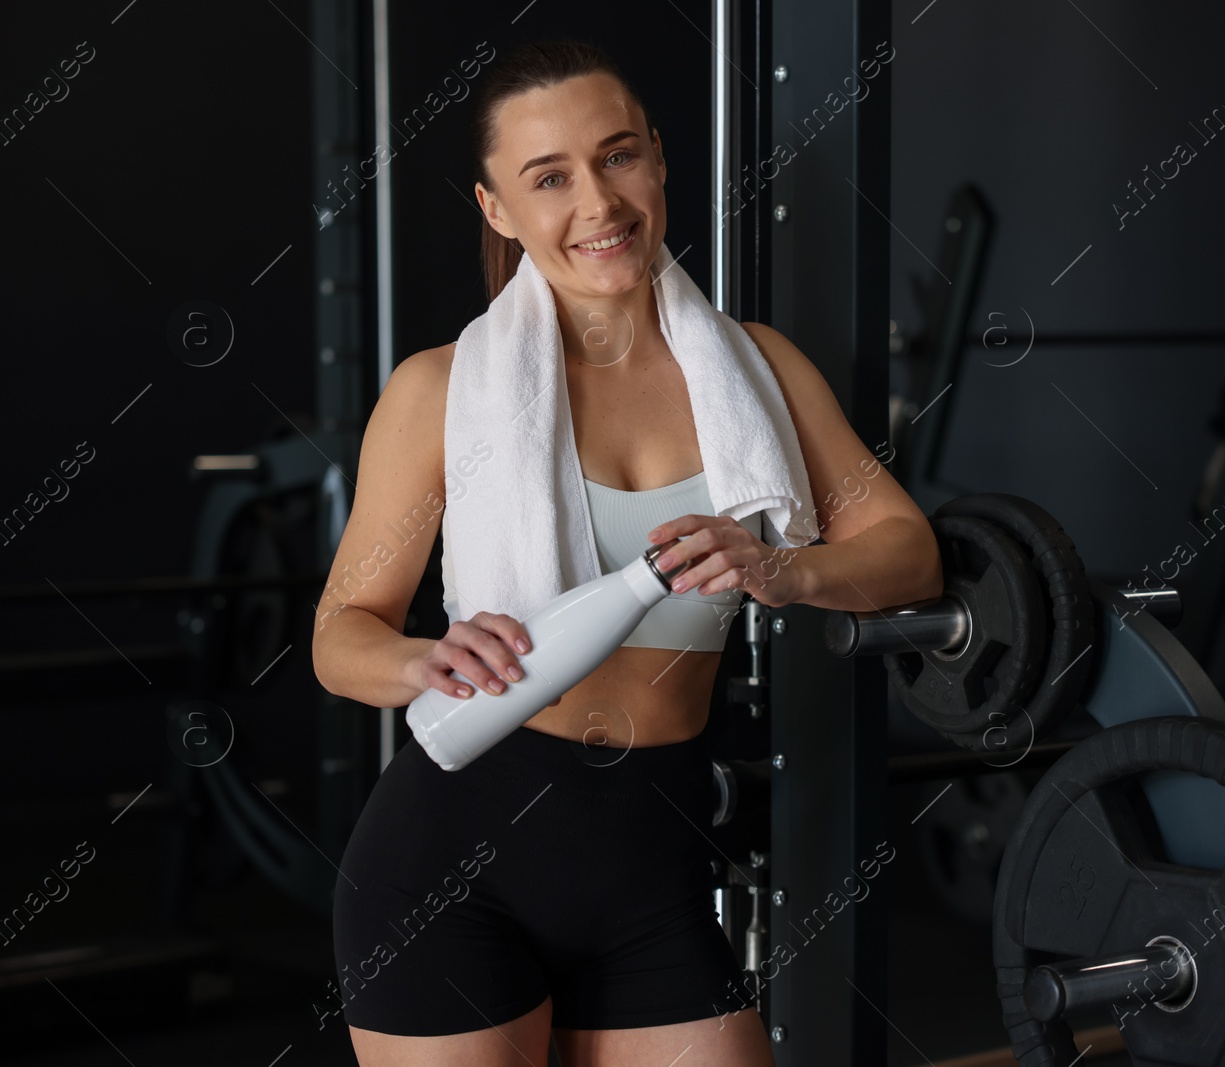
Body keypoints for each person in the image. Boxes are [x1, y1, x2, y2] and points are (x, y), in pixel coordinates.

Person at [311, 38, 942, 1067]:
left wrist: (785, 568)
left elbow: (907, 550)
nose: (597, 203)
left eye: (618, 157)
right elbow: (341, 635)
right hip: (450, 857)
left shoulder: (758, 368)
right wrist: (426, 661)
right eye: (548, 177)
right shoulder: (438, 390)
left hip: (650, 858)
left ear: (658, 158)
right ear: (497, 210)